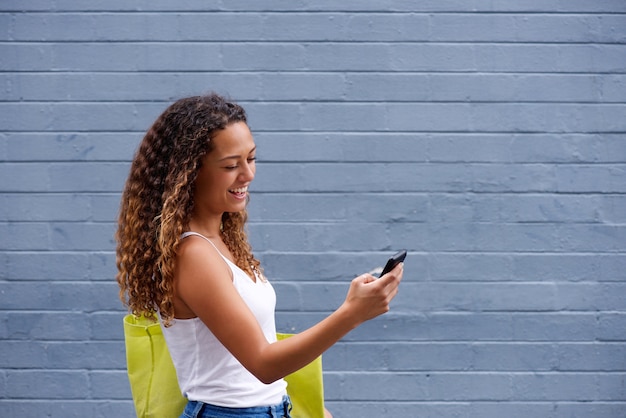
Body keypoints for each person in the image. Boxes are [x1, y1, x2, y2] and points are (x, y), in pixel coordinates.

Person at [116, 93, 403, 418]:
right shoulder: (193, 254)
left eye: (250, 159)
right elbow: (263, 363)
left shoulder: (221, 241)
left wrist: (312, 408)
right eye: (230, 165)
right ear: (189, 172)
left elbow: (252, 358)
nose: (248, 174)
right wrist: (352, 313)